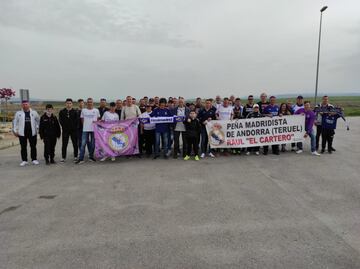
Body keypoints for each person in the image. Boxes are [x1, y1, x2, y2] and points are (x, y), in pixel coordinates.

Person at [13, 100, 40, 166]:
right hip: (22, 133)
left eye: (26, 104)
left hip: (32, 133)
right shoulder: (18, 113)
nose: (25, 106)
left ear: (29, 105)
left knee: (33, 146)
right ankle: (24, 160)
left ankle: (34, 159)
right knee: (23, 147)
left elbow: (38, 121)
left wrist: (37, 128)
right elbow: (15, 123)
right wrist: (15, 131)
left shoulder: (34, 112)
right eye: (23, 104)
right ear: (22, 105)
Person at [76, 98, 100, 164]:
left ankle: (91, 157)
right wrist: (85, 125)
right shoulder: (83, 110)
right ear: (87, 103)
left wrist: (95, 125)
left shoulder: (96, 110)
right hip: (85, 129)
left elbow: (98, 119)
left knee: (93, 144)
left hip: (93, 130)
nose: (90, 103)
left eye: (91, 102)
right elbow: (82, 119)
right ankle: (81, 159)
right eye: (88, 102)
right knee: (83, 144)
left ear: (93, 103)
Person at [59, 98, 78, 163]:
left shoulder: (75, 112)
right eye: (67, 103)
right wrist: (64, 127)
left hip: (73, 131)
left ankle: (75, 156)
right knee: (64, 144)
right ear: (65, 104)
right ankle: (63, 157)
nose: (68, 104)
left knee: (75, 144)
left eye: (70, 103)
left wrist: (74, 128)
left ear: (72, 104)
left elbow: (76, 121)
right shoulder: (62, 111)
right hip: (65, 130)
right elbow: (60, 121)